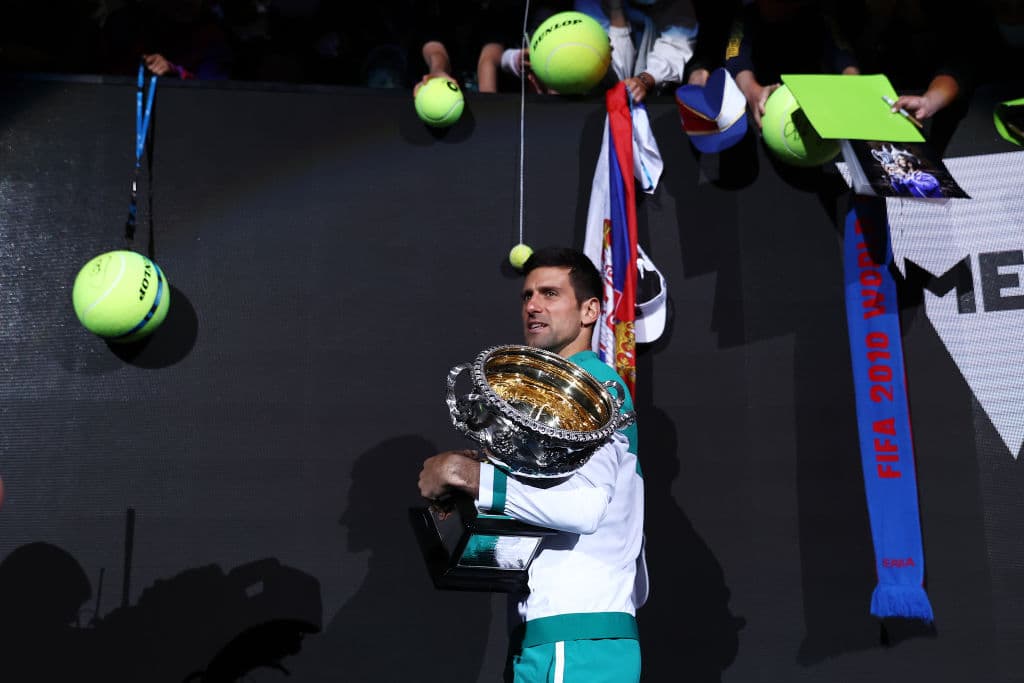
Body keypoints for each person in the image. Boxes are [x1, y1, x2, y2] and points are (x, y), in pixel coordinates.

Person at [417, 247, 647, 682]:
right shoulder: (552, 400)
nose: (533, 306)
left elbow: (584, 509)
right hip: (550, 636)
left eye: (550, 293)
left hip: (577, 639)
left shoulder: (595, 388)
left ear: (590, 310)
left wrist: (473, 478)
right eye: (527, 296)